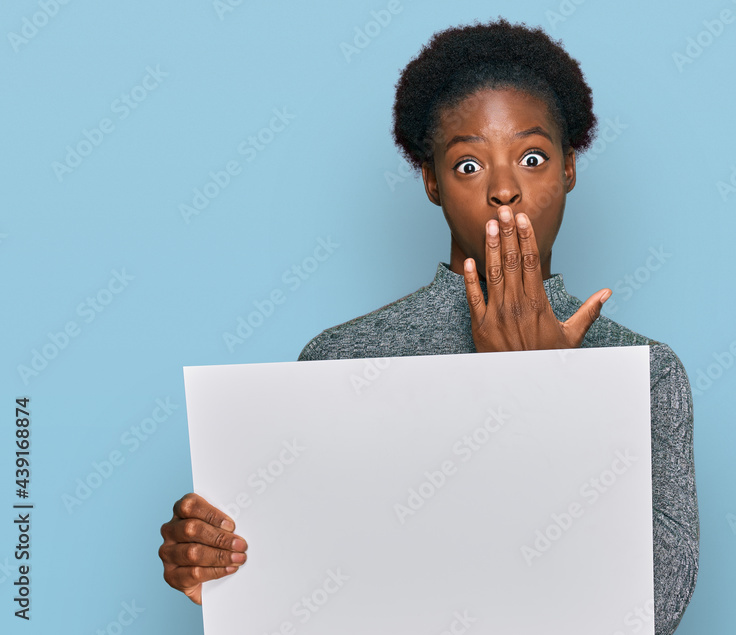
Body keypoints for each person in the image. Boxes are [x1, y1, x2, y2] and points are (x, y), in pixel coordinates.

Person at [159, 17, 698, 634]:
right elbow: (319, 595)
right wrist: (219, 567)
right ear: (431, 182)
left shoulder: (646, 371)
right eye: (468, 165)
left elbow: (652, 610)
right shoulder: (343, 360)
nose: (503, 189)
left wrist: (548, 389)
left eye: (531, 156)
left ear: (569, 169)